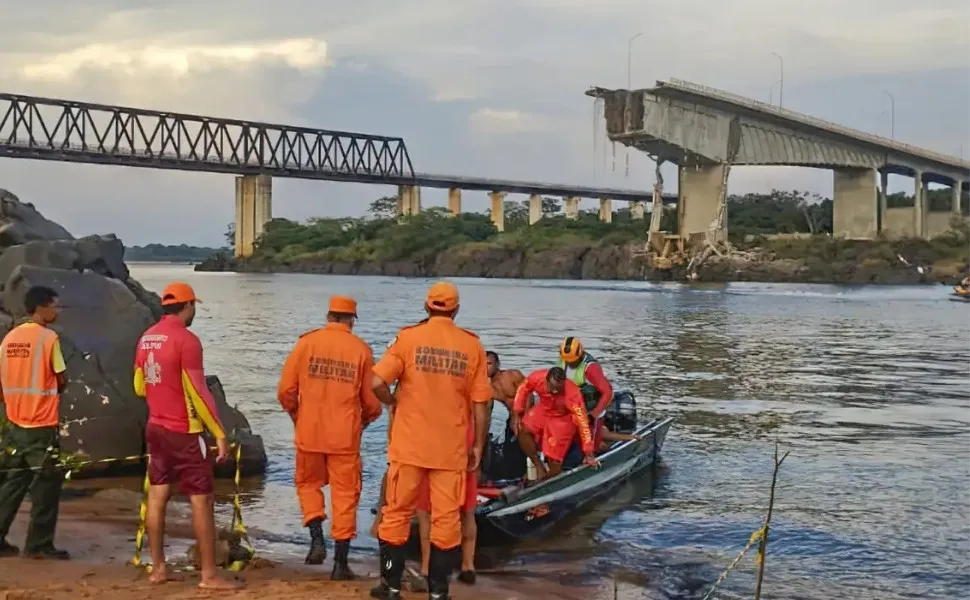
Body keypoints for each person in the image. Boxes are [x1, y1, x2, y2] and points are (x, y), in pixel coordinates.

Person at [370, 281, 492, 600]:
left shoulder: (408, 339)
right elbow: (481, 404)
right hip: (450, 450)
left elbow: (376, 382)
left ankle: (391, 586)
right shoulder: (472, 346)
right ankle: (438, 592)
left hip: (409, 447)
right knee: (446, 519)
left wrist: (393, 402)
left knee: (396, 513)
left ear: (427, 307)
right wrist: (478, 445)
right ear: (456, 309)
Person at [132, 282, 240, 590]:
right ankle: (209, 575)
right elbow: (198, 390)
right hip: (185, 431)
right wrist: (219, 433)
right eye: (194, 306)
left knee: (157, 496)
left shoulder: (147, 338)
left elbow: (139, 385)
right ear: (187, 306)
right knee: (201, 500)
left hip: (156, 427)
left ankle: (159, 569)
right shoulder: (187, 340)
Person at [277, 295, 382, 579]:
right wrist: (365, 421)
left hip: (309, 433)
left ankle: (316, 539)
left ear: (329, 316)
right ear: (351, 320)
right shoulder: (361, 350)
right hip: (344, 438)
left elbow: (286, 391)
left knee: (308, 484)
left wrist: (298, 417)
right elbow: (372, 403)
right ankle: (340, 565)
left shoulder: (306, 343)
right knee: (345, 496)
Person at [0, 286, 69, 560]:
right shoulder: (49, 339)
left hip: (15, 423)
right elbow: (61, 377)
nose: (58, 310)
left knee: (13, 481)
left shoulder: (9, 339)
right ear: (41, 307)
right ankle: (39, 544)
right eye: (55, 305)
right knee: (47, 483)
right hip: (41, 423)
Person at [511, 367, 599, 481]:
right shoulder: (536, 377)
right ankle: (538, 466)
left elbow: (583, 423)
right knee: (523, 429)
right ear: (546, 380)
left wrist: (588, 452)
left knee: (554, 459)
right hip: (544, 409)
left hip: (562, 417)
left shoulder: (572, 394)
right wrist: (517, 411)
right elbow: (523, 389)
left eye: (558, 388)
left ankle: (548, 480)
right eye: (552, 387)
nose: (555, 391)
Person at [558, 336, 613, 451]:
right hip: (573, 408)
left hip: (591, 409)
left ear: (580, 355)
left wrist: (594, 414)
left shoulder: (591, 368)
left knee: (590, 445)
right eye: (567, 361)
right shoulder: (564, 359)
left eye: (572, 361)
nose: (570, 363)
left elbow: (607, 393)